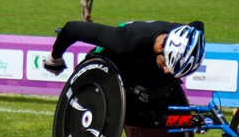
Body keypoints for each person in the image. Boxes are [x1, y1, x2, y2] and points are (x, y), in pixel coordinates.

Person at [42, 19, 205, 99]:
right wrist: (55, 58)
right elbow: (72, 28)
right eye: (168, 63)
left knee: (166, 81)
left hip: (144, 63)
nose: (166, 70)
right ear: (162, 47)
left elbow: (198, 25)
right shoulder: (124, 41)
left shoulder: (185, 38)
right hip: (117, 60)